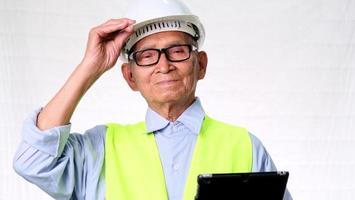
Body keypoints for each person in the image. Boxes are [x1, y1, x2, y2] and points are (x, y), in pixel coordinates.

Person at [13, 0, 292, 199]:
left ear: (201, 64)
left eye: (178, 50)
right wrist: (90, 67)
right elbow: (34, 161)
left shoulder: (244, 147)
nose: (164, 65)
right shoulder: (99, 150)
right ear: (130, 77)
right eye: (147, 56)